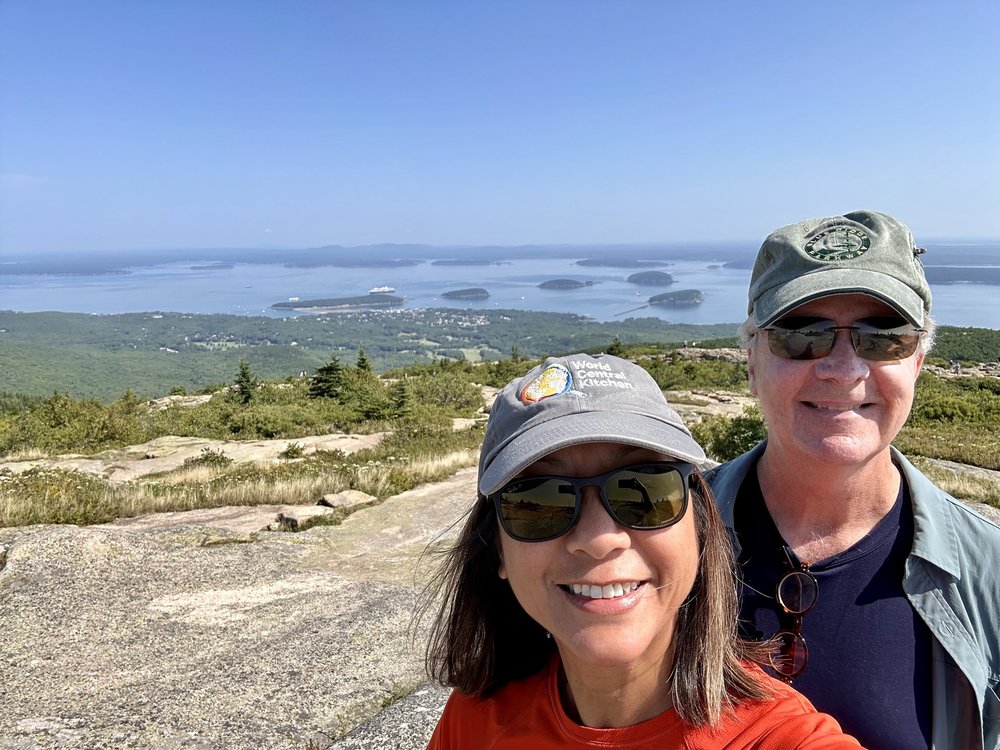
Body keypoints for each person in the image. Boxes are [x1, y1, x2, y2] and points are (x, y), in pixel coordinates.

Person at [424, 353, 865, 748]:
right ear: (497, 549)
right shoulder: (476, 719)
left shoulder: (775, 738)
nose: (599, 539)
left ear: (700, 526)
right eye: (541, 502)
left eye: (645, 493)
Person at [707, 210, 1000, 750]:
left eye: (883, 339)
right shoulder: (655, 535)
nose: (844, 369)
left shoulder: (990, 578)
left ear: (916, 364)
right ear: (750, 359)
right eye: (801, 335)